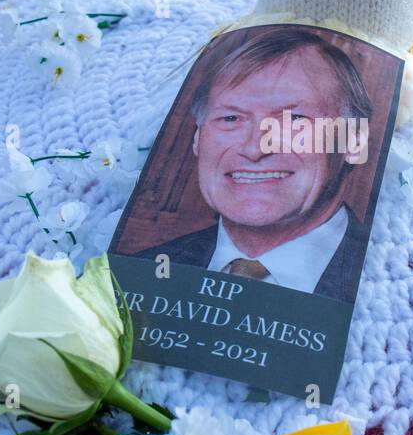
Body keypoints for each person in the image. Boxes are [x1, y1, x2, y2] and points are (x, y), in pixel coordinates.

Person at [138, 30, 374, 302]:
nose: (255, 148)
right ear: (197, 139)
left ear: (354, 141)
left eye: (294, 119)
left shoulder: (390, 283)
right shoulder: (143, 267)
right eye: (230, 118)